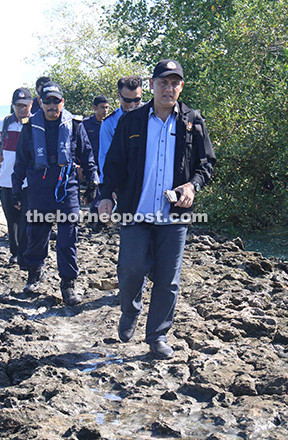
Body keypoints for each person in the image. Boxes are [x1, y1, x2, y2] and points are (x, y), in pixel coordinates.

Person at [98, 60, 216, 359]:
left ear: (181, 87)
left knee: (168, 280)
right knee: (130, 268)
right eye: (163, 82)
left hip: (174, 215)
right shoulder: (132, 121)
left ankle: (158, 336)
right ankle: (130, 309)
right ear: (152, 84)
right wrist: (106, 196)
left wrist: (192, 186)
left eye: (175, 82)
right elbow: (114, 164)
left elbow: (206, 164)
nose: (169, 87)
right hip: (135, 211)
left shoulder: (192, 120)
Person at [12, 81, 99, 306]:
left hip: (67, 189)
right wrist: (16, 191)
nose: (52, 105)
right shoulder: (30, 127)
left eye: (56, 101)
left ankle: (68, 284)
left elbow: (87, 156)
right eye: (47, 101)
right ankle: (34, 272)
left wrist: (92, 183)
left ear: (62, 102)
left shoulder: (75, 126)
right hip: (39, 189)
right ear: (40, 103)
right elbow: (20, 161)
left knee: (67, 239)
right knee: (37, 235)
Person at [0, 87, 33, 266]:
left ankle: (26, 252)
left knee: (28, 218)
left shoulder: (36, 123)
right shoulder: (4, 123)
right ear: (13, 106)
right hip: (7, 179)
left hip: (29, 181)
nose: (22, 109)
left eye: (25, 105)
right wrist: (0, 154)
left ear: (31, 104)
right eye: (18, 105)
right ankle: (15, 252)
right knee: (12, 219)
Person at [98, 76, 143, 185]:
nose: (133, 105)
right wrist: (108, 186)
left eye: (137, 100)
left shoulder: (152, 115)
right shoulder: (109, 123)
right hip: (124, 181)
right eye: (127, 100)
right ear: (119, 96)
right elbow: (105, 156)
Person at [82, 95, 110, 218]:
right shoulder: (85, 124)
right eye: (102, 107)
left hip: (106, 161)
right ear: (95, 108)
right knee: (94, 187)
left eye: (107, 107)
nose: (105, 110)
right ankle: (95, 214)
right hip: (91, 162)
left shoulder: (110, 123)